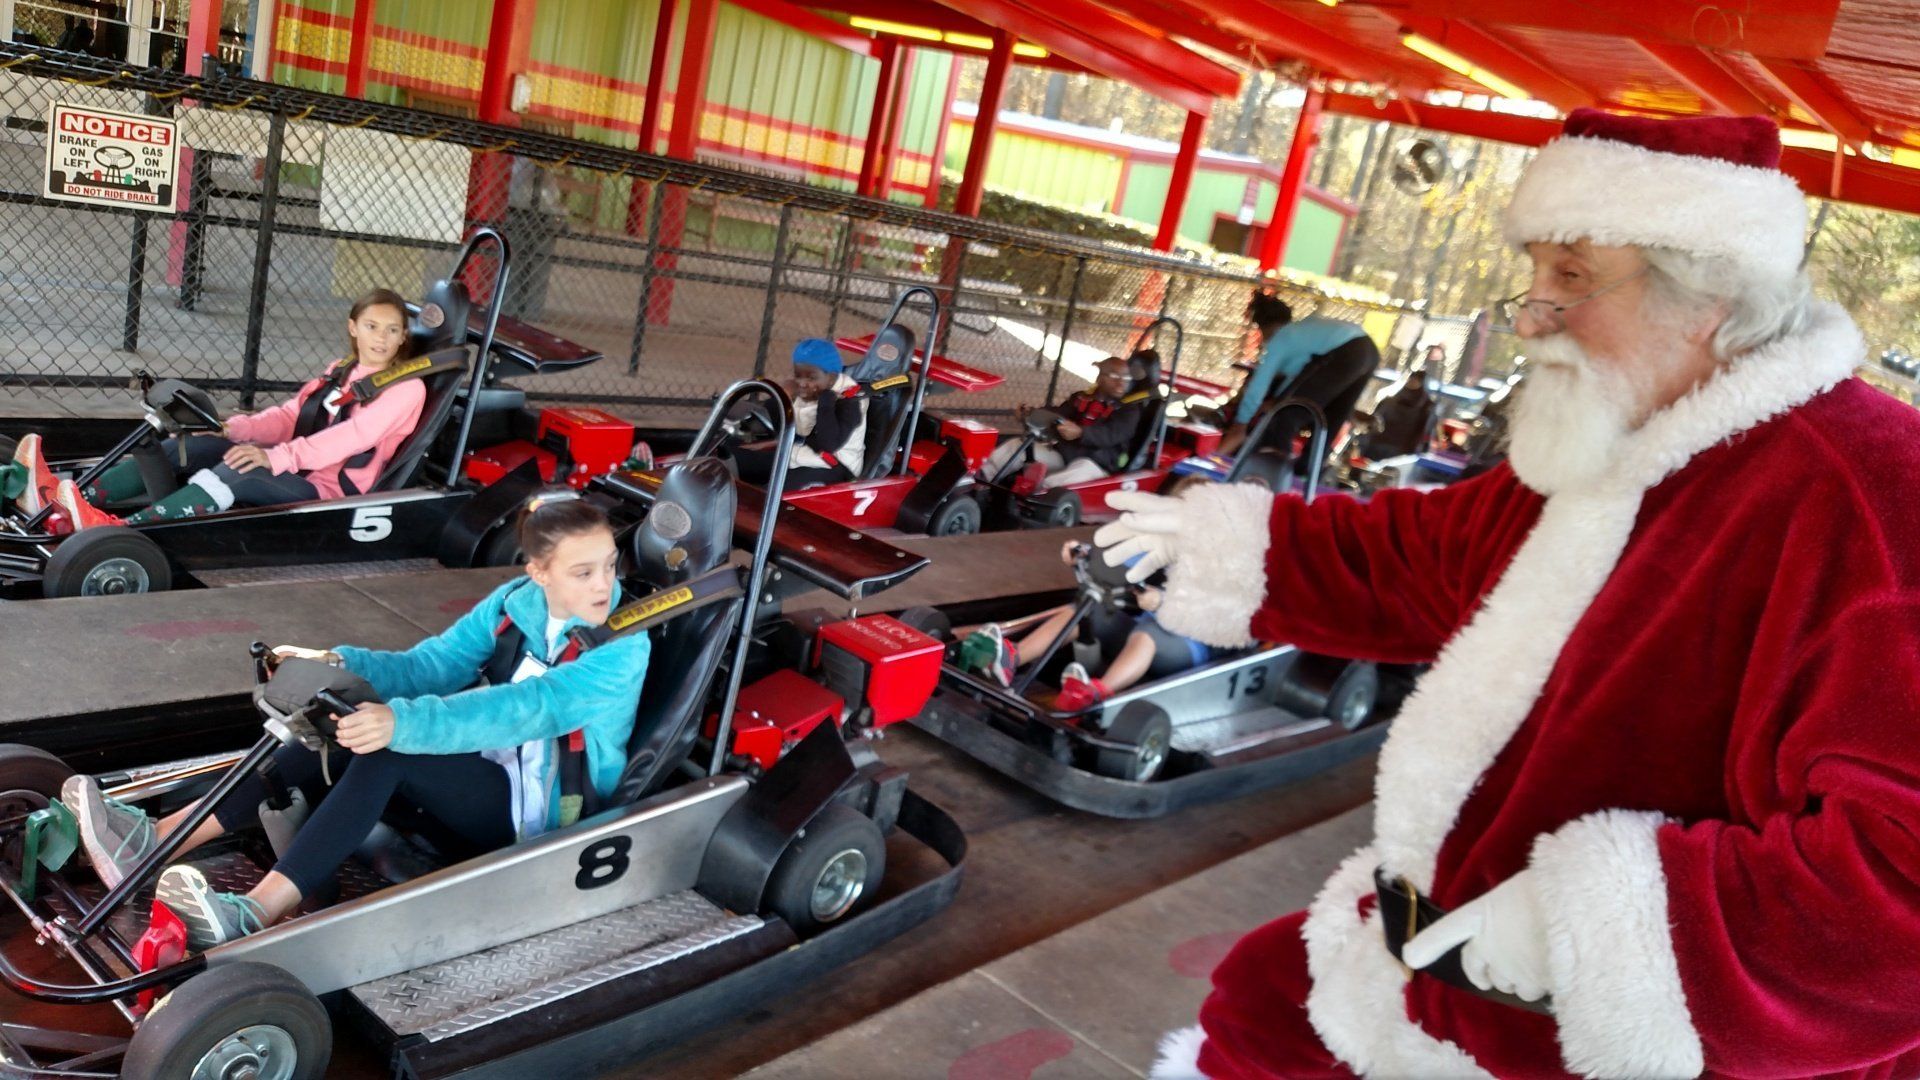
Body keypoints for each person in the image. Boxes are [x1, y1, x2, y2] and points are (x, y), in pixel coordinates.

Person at [1101, 108, 1920, 1079]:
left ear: (1705, 297)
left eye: (1570, 277)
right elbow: (1418, 556)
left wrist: (1582, 929)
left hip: (1630, 1044)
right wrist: (1228, 545)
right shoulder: (1615, 436)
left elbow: (1895, 893)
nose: (1529, 314)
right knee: (1263, 1010)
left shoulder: (1871, 498)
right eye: (1534, 274)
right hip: (1443, 975)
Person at [59, 494, 646, 949]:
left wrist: (402, 724)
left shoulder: (622, 645)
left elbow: (523, 710)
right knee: (331, 719)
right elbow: (432, 665)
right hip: (485, 766)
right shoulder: (512, 603)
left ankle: (253, 912)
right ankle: (156, 840)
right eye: (584, 572)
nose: (604, 586)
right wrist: (338, 664)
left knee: (389, 747)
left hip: (540, 805)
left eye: (609, 567)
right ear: (540, 572)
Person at [15, 289, 425, 529]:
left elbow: (348, 438)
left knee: (238, 470)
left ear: (404, 335)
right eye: (372, 326)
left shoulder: (406, 388)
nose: (381, 338)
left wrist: (274, 457)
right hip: (297, 466)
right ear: (353, 327)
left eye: (392, 330)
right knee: (195, 448)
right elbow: (289, 416)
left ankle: (121, 530)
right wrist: (233, 429)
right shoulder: (341, 370)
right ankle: (65, 501)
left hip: (330, 491)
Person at [959, 538, 1210, 710]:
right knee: (1087, 609)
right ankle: (1011, 659)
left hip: (1189, 646)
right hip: (1139, 628)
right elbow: (1118, 560)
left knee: (1149, 633)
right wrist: (1084, 554)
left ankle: (1097, 693)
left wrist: (1163, 603)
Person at [1217, 292, 1378, 457]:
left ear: (1262, 326)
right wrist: (1278, 400)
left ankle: (1272, 470)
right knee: (1331, 417)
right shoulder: (1302, 332)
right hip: (1369, 350)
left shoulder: (1282, 337)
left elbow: (1259, 384)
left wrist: (1241, 423)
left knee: (1285, 416)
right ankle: (1306, 472)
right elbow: (1299, 382)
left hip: (1346, 351)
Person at [977, 355, 1151, 486]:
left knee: (1067, 478)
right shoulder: (1082, 398)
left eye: (1126, 379)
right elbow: (1059, 414)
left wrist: (1081, 432)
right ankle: (980, 480)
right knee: (1017, 445)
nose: (1122, 383)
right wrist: (1030, 414)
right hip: (1064, 454)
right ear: (1100, 377)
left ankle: (1038, 497)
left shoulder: (1129, 410)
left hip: (1095, 464)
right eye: (1114, 376)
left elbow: (1110, 435)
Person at [734, 338, 868, 490]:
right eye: (798, 376)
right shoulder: (810, 389)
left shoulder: (851, 400)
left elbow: (828, 444)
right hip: (801, 453)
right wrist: (781, 396)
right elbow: (789, 427)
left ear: (831, 376)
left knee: (769, 495)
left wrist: (825, 401)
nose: (802, 383)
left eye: (811, 378)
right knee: (734, 456)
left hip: (834, 466)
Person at [1355, 366, 1436, 459]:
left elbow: (1424, 431)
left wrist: (1414, 452)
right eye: (1412, 378)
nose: (1412, 381)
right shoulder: (1390, 397)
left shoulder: (1426, 407)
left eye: (1417, 379)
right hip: (1376, 442)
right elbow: (1374, 419)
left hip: (1399, 450)